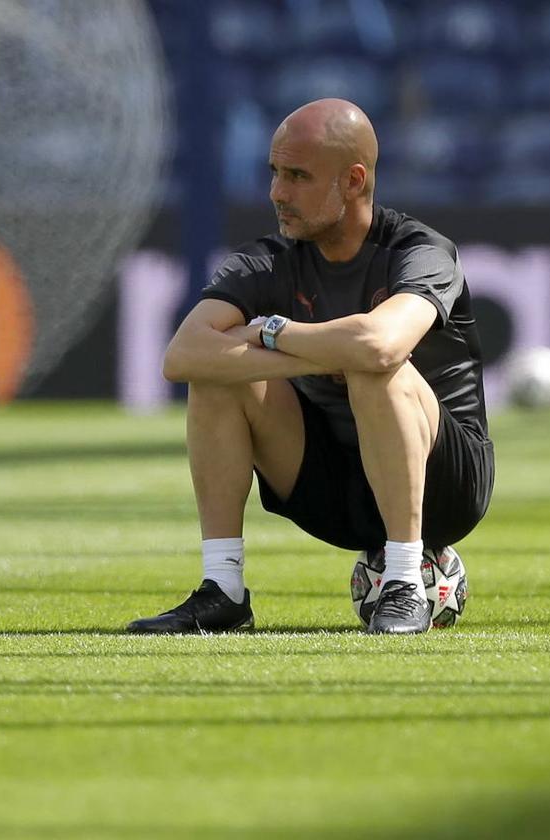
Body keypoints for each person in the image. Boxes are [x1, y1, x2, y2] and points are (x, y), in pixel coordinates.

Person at [127, 98, 494, 635]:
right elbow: (182, 355)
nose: (278, 192)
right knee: (218, 376)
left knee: (376, 369)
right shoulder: (269, 259)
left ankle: (404, 582)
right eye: (275, 173)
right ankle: (223, 591)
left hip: (445, 488)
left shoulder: (420, 250)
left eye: (298, 176)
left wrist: (274, 333)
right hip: (335, 488)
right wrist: (321, 352)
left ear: (353, 180)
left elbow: (380, 346)